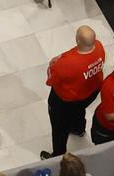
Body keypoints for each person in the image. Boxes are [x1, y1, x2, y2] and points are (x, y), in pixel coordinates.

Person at [43, 23, 106, 158]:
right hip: (91, 91)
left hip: (66, 100)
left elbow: (50, 80)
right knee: (78, 110)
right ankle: (78, 128)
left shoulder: (66, 64)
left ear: (77, 40)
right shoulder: (99, 47)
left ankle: (58, 154)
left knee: (59, 127)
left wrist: (53, 63)